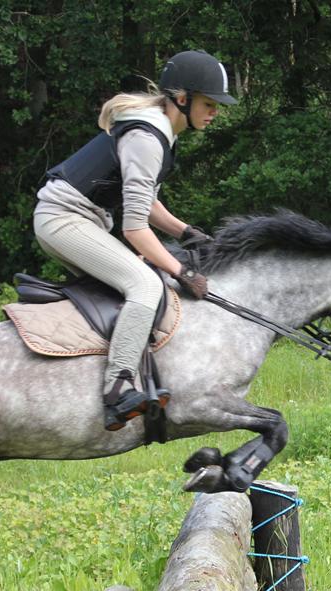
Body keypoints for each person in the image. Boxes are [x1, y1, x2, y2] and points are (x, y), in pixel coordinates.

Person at [32, 50, 236, 431]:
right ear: (181, 99)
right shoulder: (147, 138)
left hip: (80, 220)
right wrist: (181, 270)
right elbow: (135, 229)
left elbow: (147, 204)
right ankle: (117, 387)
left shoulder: (159, 131)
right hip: (64, 220)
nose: (215, 113)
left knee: (143, 280)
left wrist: (185, 232)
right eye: (209, 104)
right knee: (144, 284)